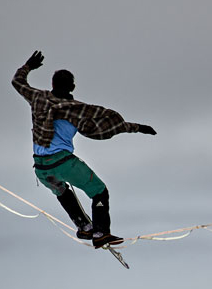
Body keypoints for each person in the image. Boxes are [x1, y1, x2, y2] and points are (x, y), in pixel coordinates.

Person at [12, 50, 156, 248]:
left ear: (53, 85)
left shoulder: (38, 99)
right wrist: (137, 127)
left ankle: (84, 227)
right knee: (99, 191)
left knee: (62, 190)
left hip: (41, 169)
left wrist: (28, 66)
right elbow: (106, 127)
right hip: (63, 163)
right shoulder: (76, 110)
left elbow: (18, 82)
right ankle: (100, 232)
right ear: (72, 86)